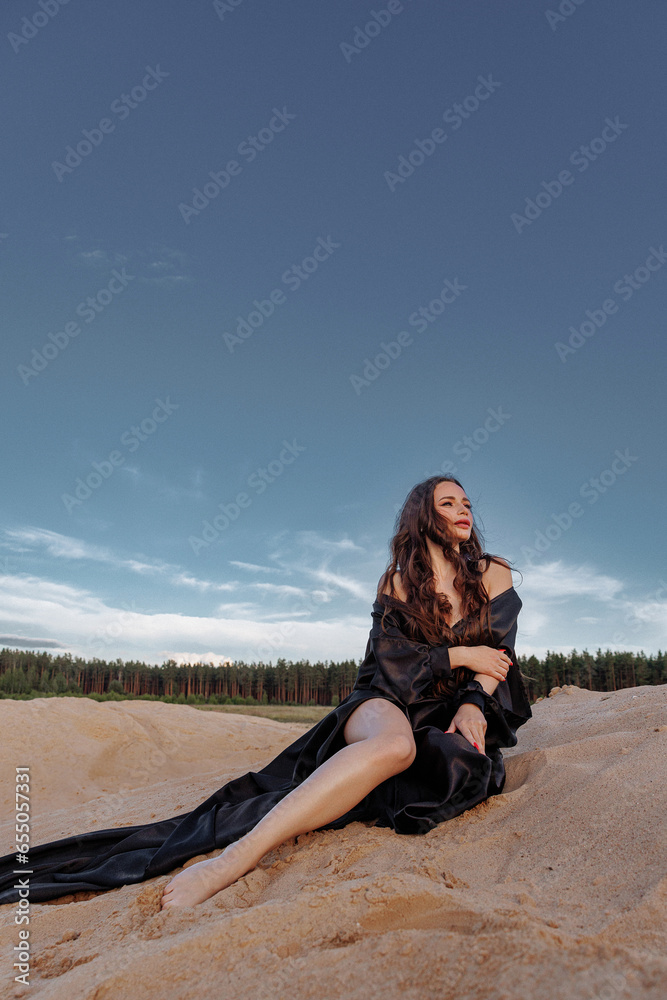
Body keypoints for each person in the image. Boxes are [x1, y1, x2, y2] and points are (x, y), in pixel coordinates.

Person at [0, 476, 531, 910]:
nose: (463, 509)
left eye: (465, 502)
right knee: (397, 748)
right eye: (447, 502)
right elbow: (393, 668)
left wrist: (470, 702)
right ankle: (234, 859)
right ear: (423, 517)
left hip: (447, 706)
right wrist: (457, 656)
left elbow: (499, 657)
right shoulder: (395, 584)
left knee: (463, 768)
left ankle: (354, 782)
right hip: (385, 700)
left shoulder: (494, 575)